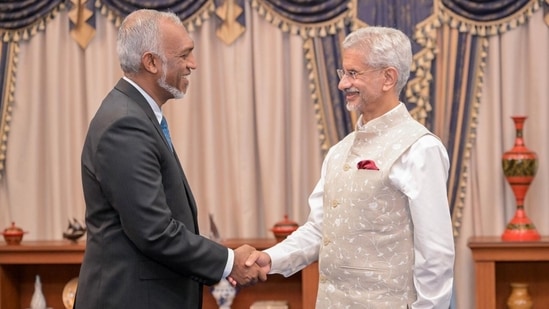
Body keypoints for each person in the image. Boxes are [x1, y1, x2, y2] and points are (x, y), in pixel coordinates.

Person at [245, 26, 455, 308]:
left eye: (353, 73)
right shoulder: (339, 151)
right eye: (343, 73)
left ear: (388, 78)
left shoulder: (420, 149)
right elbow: (320, 230)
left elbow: (436, 255)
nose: (343, 84)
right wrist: (270, 258)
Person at [75, 9, 265, 309]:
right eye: (184, 55)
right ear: (151, 62)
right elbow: (154, 231)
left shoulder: (135, 113)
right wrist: (230, 261)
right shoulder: (125, 124)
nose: (193, 64)